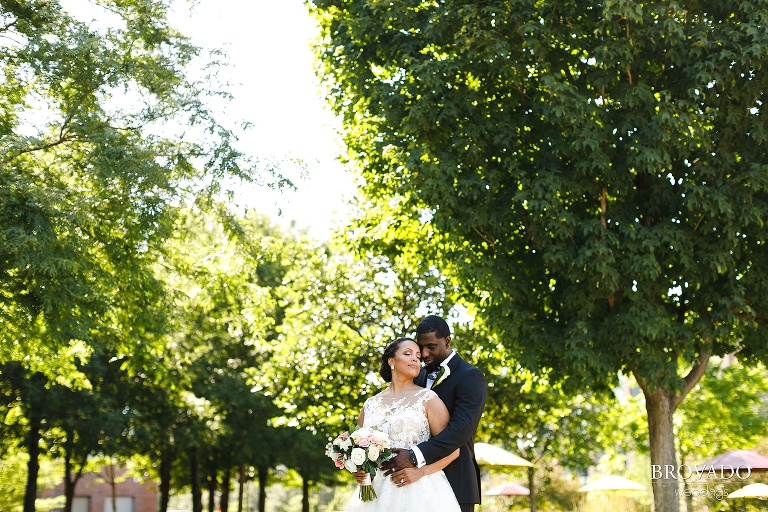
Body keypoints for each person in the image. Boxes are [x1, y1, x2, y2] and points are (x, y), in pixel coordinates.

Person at [382, 315, 487, 512]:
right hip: (410, 485)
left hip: (456, 479)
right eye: (420, 347)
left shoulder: (470, 377)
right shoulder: (417, 375)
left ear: (447, 341)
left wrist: (414, 456)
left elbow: (461, 431)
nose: (423, 353)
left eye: (431, 346)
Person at [344, 337, 462, 512]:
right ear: (391, 361)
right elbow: (358, 449)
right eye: (408, 354)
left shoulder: (428, 400)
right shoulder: (370, 405)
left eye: (417, 356)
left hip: (419, 491)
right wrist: (359, 471)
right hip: (376, 495)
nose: (415, 359)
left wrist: (420, 472)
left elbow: (453, 450)